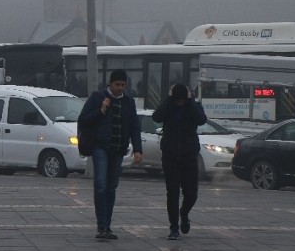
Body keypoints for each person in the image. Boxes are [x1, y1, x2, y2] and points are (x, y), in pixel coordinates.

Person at [78, 69, 143, 240]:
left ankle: (107, 225)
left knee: (111, 186)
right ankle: (101, 226)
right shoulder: (97, 97)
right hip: (100, 146)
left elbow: (135, 126)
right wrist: (101, 110)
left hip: (118, 149)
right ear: (110, 84)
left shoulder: (128, 101)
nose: (119, 88)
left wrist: (137, 149)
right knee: (100, 184)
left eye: (123, 85)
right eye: (117, 85)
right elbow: (83, 119)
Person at [152, 83, 207, 240]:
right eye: (177, 100)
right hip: (170, 155)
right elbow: (156, 116)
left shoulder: (193, 106)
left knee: (191, 193)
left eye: (182, 100)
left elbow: (201, 119)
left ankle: (184, 212)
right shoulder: (169, 106)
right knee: (173, 193)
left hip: (189, 155)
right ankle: (174, 227)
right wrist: (169, 99)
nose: (180, 103)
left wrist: (189, 101)